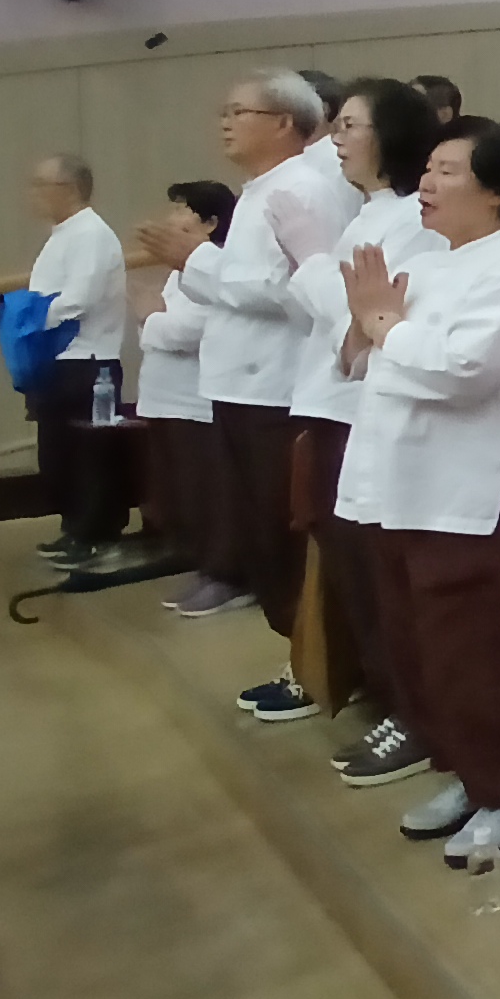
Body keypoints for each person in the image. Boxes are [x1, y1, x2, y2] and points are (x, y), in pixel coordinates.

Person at [336, 118, 500, 859]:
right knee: (423, 653)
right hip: (403, 488)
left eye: (447, 171)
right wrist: (366, 326)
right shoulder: (428, 262)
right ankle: (470, 777)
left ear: (497, 191)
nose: (427, 184)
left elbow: (462, 370)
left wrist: (383, 325)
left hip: (475, 498)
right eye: (428, 169)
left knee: (483, 659)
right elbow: (361, 362)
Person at [134, 71, 361, 624]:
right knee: (254, 526)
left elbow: (293, 291)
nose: (225, 124)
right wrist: (199, 265)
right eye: (224, 113)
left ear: (283, 122)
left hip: (275, 385)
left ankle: (309, 649)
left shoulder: (301, 189)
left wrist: (196, 260)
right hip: (237, 382)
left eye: (239, 112)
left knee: (280, 530)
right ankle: (291, 638)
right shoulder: (260, 189)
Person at [261, 80, 446, 755]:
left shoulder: (411, 221)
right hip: (329, 404)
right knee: (351, 572)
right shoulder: (368, 214)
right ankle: (385, 691)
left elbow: (367, 326)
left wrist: (311, 258)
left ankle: (414, 712)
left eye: (349, 126)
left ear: (389, 135)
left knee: (380, 576)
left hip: (363, 410)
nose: (334, 140)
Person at [23, 153, 131, 565]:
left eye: (40, 185)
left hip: (88, 361)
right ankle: (74, 529)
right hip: (59, 359)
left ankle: (95, 536)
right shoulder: (63, 234)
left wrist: (26, 317)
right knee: (60, 453)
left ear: (67, 189)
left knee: (89, 456)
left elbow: (78, 299)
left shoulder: (90, 234)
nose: (33, 194)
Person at [139, 181, 234, 602]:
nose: (171, 218)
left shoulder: (215, 264)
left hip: (192, 401)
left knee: (202, 494)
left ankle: (221, 572)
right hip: (163, 395)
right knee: (173, 493)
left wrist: (149, 319)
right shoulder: (179, 270)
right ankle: (195, 563)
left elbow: (187, 330)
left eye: (182, 210)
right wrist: (154, 321)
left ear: (210, 222)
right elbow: (162, 326)